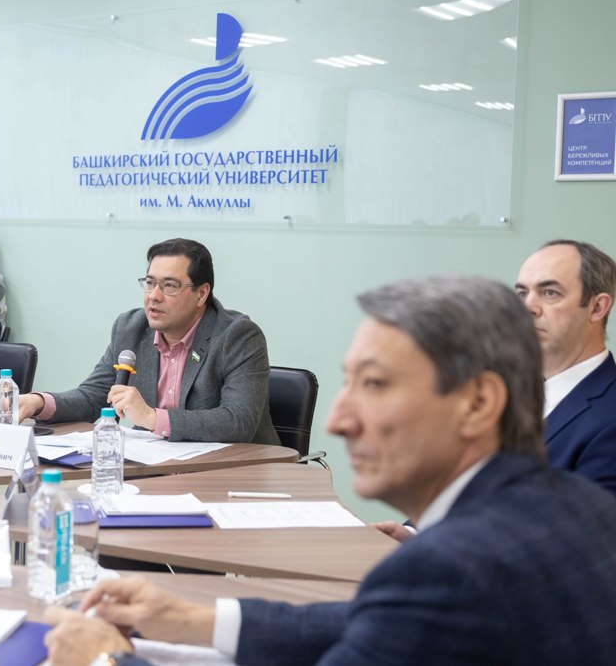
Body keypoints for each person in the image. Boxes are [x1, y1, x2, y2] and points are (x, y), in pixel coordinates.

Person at [44, 276, 616, 666]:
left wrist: (103, 658)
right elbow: (368, 625)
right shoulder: (560, 505)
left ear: (479, 403)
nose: (339, 420)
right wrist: (193, 619)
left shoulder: (450, 565)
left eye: (375, 385)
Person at [18, 238, 277, 444]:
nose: (154, 296)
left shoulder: (237, 336)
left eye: (169, 286)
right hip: (155, 468)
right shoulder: (131, 328)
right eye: (150, 283)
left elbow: (238, 421)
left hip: (231, 472)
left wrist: (153, 418)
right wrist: (38, 402)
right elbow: (93, 396)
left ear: (201, 294)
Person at [515, 239, 616, 497]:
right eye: (522, 293)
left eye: (550, 293)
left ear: (597, 307)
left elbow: (590, 523)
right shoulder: (505, 394)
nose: (528, 308)